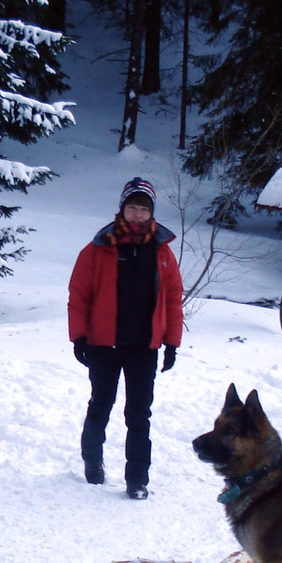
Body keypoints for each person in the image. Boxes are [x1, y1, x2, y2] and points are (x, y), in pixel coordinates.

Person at [67, 176, 184, 500]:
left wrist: (172, 342)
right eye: (132, 207)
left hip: (143, 347)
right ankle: (93, 462)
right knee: (101, 405)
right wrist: (79, 336)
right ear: (122, 209)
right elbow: (79, 294)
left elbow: (173, 298)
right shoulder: (98, 248)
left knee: (139, 413)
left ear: (151, 212)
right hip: (104, 344)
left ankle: (137, 479)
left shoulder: (161, 252)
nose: (137, 214)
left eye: (143, 209)